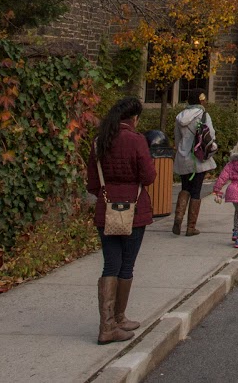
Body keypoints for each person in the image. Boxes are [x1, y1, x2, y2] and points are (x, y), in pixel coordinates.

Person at [86, 97, 153, 344]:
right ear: (134, 119)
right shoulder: (137, 141)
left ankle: (108, 324)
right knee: (126, 265)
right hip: (134, 211)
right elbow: (148, 176)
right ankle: (118, 318)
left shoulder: (99, 142)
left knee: (109, 265)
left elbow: (93, 182)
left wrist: (108, 195)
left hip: (107, 210)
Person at [172, 92, 217, 236]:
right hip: (198, 157)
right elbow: (211, 135)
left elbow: (177, 138)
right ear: (200, 101)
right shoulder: (204, 115)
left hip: (183, 156)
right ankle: (190, 227)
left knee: (185, 188)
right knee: (196, 191)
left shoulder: (180, 116)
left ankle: (178, 218)